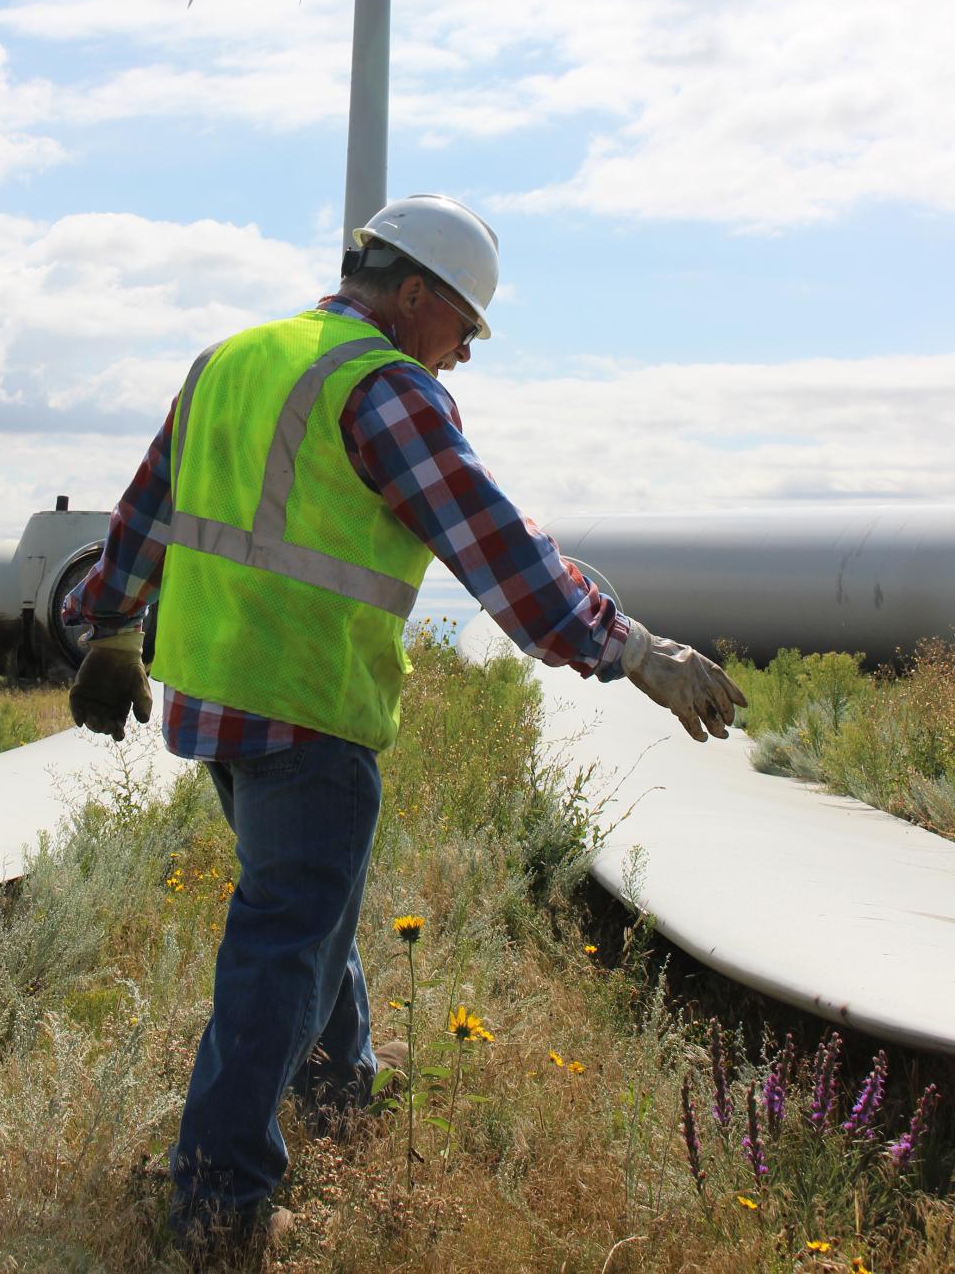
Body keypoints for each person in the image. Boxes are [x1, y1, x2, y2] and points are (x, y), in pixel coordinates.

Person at [63, 192, 746, 1258]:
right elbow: (497, 548)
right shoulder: (385, 390)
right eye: (466, 324)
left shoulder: (231, 359)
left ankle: (345, 1105)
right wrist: (632, 652)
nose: (467, 351)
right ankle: (219, 1200)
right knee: (287, 940)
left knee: (311, 918)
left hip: (218, 700)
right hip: (309, 707)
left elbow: (143, 511)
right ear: (415, 294)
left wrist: (105, 627)